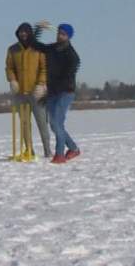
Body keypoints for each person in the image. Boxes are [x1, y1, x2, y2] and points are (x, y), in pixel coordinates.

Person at [33, 21, 82, 164]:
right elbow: (35, 45)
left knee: (56, 123)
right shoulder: (52, 49)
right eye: (59, 33)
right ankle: (73, 148)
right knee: (55, 125)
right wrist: (38, 29)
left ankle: (59, 155)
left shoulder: (72, 56)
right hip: (52, 92)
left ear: (68, 36)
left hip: (65, 92)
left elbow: (66, 77)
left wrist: (48, 92)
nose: (60, 36)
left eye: (63, 34)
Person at [5, 23, 50, 158]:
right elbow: (9, 68)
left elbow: (45, 67)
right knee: (25, 124)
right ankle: (29, 150)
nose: (23, 34)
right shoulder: (12, 49)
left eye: (25, 32)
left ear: (30, 33)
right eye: (20, 32)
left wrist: (41, 84)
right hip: (20, 93)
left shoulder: (39, 48)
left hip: (36, 93)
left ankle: (47, 150)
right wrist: (12, 80)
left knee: (42, 122)